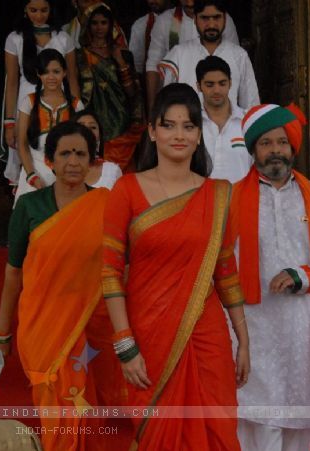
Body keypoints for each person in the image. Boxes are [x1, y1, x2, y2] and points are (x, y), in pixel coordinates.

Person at [102, 83, 250, 450]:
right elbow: (108, 271)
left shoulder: (218, 195)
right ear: (152, 131)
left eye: (188, 126)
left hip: (208, 337)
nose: (179, 135)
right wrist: (125, 345)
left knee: (216, 433)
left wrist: (243, 340)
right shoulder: (126, 190)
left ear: (200, 134)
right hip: (148, 336)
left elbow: (226, 273)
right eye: (169, 125)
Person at [0, 121, 121, 450]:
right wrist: (1, 334)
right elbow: (13, 273)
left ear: (94, 160)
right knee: (59, 418)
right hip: (44, 329)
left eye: (81, 153)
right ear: (49, 161)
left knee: (92, 417)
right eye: (65, 153)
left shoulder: (107, 206)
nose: (74, 161)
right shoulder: (30, 207)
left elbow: (120, 270)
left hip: (94, 330)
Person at [230, 104, 310, 451]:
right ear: (253, 149)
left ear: (293, 146)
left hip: (303, 332)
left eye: (282, 142)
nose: (275, 150)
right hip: (252, 331)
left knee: (299, 426)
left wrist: (303, 275)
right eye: (266, 143)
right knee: (259, 427)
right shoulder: (230, 199)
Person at [2, 0, 80, 185]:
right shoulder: (15, 38)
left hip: (59, 102)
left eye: (44, 10)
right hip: (25, 103)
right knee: (25, 152)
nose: (38, 16)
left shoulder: (62, 38)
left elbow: (72, 79)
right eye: (33, 10)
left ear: (51, 9)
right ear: (24, 10)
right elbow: (12, 82)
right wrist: (9, 123)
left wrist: (78, 114)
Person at [77, 4, 145, 170]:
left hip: (122, 120)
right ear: (88, 25)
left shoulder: (123, 54)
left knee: (123, 171)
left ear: (111, 25)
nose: (99, 27)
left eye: (104, 22)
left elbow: (131, 92)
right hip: (93, 118)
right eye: (94, 23)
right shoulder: (80, 56)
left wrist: (120, 62)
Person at [159, 0, 259, 110]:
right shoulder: (178, 55)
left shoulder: (239, 56)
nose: (211, 24)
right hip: (189, 126)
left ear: (225, 19)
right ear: (195, 19)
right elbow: (167, 105)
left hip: (229, 126)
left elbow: (251, 105)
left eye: (216, 17)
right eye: (204, 18)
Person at [14, 49, 84, 203]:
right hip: (34, 173)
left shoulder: (76, 105)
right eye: (45, 72)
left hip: (66, 177)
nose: (51, 77)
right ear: (39, 74)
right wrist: (32, 176)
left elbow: (82, 146)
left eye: (56, 71)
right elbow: (22, 144)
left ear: (65, 72)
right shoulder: (29, 102)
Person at [145, 0, 239, 112]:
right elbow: (153, 64)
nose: (189, 2)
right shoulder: (164, 21)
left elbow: (233, 62)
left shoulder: (222, 20)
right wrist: (152, 108)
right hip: (179, 105)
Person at [197, 56, 252, 183]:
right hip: (201, 200)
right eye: (209, 85)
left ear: (230, 83)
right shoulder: (190, 124)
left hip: (242, 200)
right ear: (199, 86)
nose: (217, 90)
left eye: (222, 83)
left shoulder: (248, 121)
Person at [74, 109, 123, 188]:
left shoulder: (112, 171)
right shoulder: (60, 168)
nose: (87, 131)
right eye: (81, 126)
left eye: (93, 127)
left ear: (99, 136)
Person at [128, 0, 170, 76]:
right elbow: (137, 64)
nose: (152, 1)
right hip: (151, 80)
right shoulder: (140, 25)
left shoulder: (184, 20)